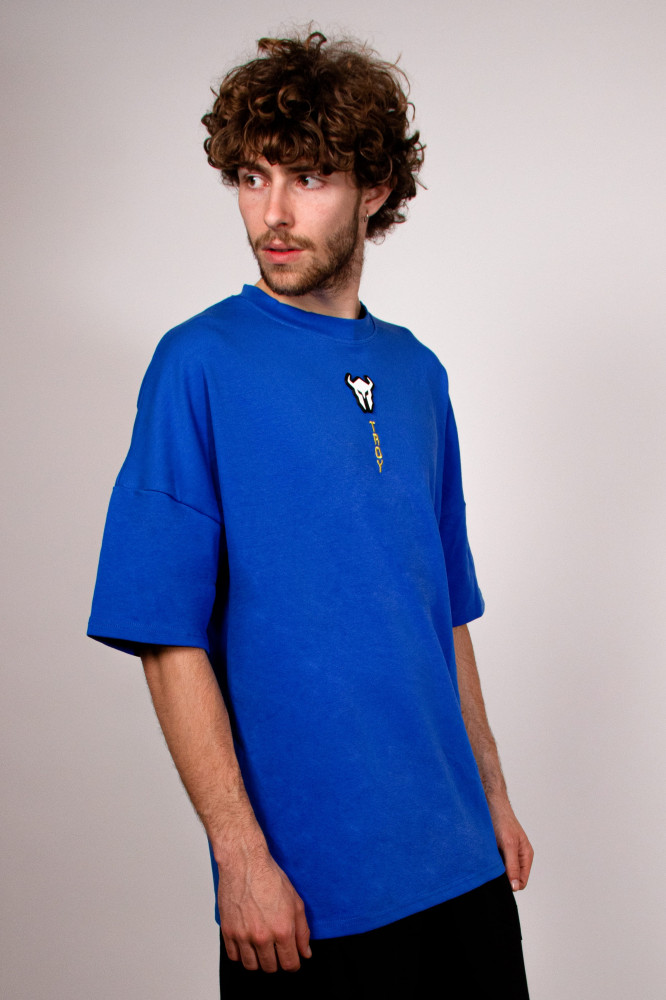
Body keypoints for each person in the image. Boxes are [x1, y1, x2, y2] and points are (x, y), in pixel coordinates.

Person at [87, 29, 534, 998]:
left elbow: (443, 612)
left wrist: (494, 794)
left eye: (310, 177)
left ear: (375, 189)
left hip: (460, 860)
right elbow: (164, 632)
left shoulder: (418, 372)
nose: (274, 213)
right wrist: (240, 857)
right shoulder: (198, 363)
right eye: (252, 178)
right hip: (308, 892)